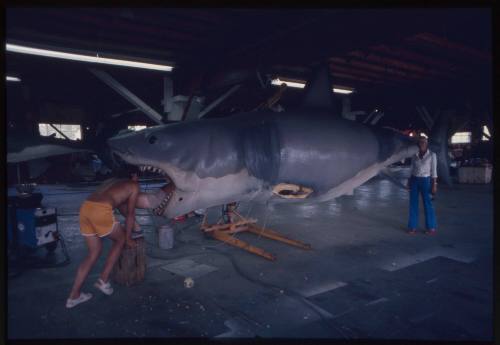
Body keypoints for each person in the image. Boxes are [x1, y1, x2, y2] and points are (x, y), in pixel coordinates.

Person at [66, 166, 141, 308]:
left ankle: (73, 296)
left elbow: (119, 205)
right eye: (138, 177)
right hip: (100, 210)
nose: (139, 181)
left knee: (93, 253)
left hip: (85, 208)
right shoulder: (133, 185)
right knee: (120, 240)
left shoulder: (112, 183)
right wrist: (129, 238)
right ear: (134, 175)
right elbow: (130, 215)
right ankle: (103, 280)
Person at [406, 136, 437, 235]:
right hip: (414, 180)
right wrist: (409, 181)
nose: (422, 144)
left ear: (427, 143)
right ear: (418, 144)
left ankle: (431, 227)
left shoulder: (432, 155)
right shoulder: (414, 155)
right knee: (413, 204)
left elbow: (434, 171)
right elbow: (411, 169)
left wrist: (434, 185)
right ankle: (412, 227)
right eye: (421, 142)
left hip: (426, 181)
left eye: (424, 142)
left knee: (428, 204)